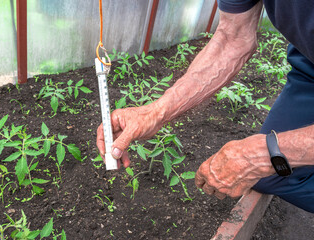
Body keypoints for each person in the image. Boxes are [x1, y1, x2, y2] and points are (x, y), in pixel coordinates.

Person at [96, 0, 314, 213]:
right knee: (273, 176)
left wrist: (262, 154)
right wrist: (156, 112)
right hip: (309, 66)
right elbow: (232, 39)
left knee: (274, 161)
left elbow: (267, 154)